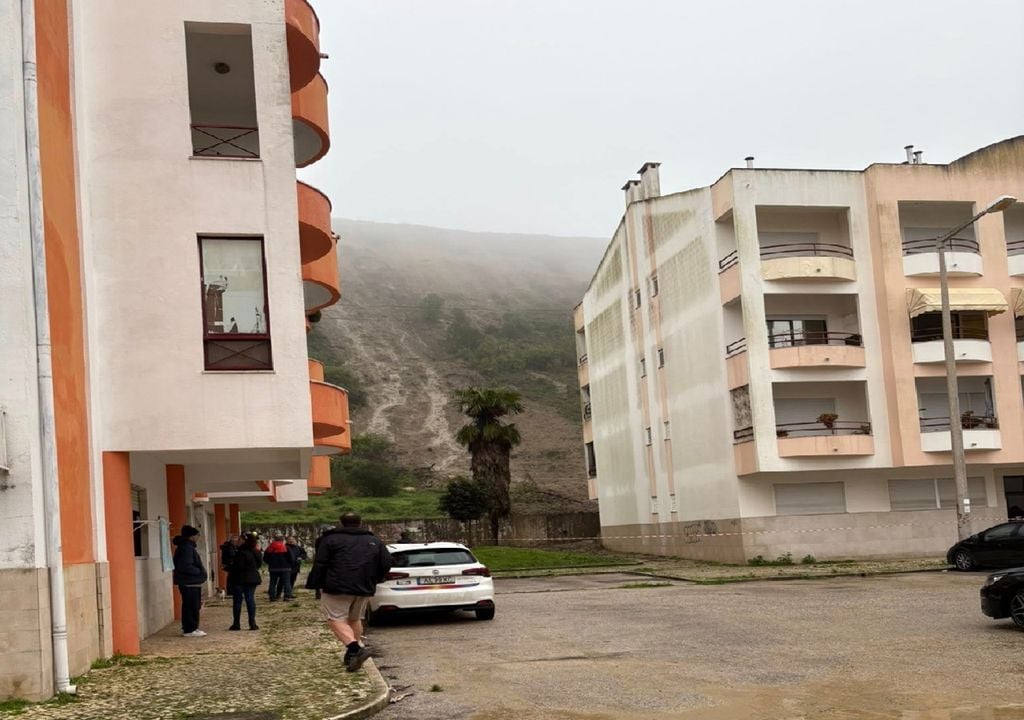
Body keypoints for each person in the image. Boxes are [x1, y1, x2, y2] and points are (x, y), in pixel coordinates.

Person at [307, 512, 392, 672]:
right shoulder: (374, 540)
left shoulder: (330, 539)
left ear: (341, 523)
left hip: (336, 586)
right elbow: (386, 562)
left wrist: (316, 584)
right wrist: (375, 578)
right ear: (360, 522)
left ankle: (355, 649)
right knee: (355, 618)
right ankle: (352, 655)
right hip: (364, 586)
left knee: (335, 618)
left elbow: (320, 563)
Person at [172, 524, 207, 637]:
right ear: (191, 536)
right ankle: (189, 629)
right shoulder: (186, 548)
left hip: (192, 582)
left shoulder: (188, 547)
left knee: (193, 605)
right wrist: (199, 572)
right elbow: (186, 566)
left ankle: (193, 627)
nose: (198, 537)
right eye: (197, 535)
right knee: (190, 605)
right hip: (189, 582)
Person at [228, 533, 263, 631]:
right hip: (253, 578)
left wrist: (229, 567)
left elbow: (239, 566)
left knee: (238, 601)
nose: (238, 541)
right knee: (250, 599)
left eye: (240, 539)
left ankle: (236, 623)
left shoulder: (241, 552)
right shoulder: (256, 551)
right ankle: (252, 623)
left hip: (240, 578)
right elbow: (259, 564)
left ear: (244, 541)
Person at [263, 534, 295, 601]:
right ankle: (287, 596)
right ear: (283, 540)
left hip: (273, 568)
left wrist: (270, 563)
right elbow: (292, 558)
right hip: (285, 568)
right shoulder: (286, 547)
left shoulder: (270, 548)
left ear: (274, 539)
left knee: (273, 582)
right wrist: (290, 564)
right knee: (287, 582)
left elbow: (265, 558)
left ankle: (272, 597)